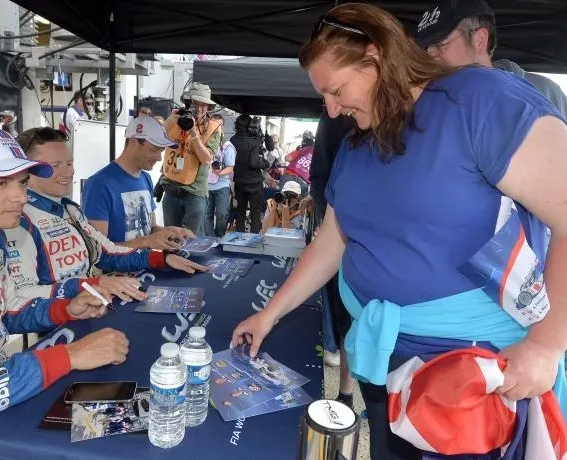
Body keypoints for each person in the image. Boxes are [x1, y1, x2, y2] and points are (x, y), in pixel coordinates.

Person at [232, 4, 567, 459]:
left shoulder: (479, 100)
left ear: (374, 58)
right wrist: (270, 314)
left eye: (336, 91)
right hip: (384, 356)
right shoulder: (358, 142)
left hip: (468, 368)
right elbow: (331, 241)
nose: (331, 109)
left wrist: (546, 346)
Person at [0, 126, 129, 434]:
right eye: (1, 182)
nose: (21, 196)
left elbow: (4, 310)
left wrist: (65, 309)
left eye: (22, 182)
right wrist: (68, 356)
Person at [6, 126, 208, 301]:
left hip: (91, 304)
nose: (68, 172)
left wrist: (161, 258)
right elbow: (21, 297)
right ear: (26, 170)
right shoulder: (18, 220)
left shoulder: (70, 209)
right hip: (61, 321)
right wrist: (91, 285)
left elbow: (106, 252)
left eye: (69, 163)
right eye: (55, 166)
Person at [414, 0, 567, 115]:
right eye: (425, 50)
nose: (430, 58)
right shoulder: (430, 107)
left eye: (439, 45)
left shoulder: (544, 92)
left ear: (479, 40)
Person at [301, 110, 357, 405]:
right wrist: (333, 219)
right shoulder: (334, 119)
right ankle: (346, 392)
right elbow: (320, 177)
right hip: (345, 238)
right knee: (346, 315)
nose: (333, 105)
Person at [83, 116, 195, 250]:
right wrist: (145, 241)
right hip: (120, 264)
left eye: (161, 150)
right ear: (133, 142)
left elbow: (150, 228)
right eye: (154, 149)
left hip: (147, 261)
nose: (159, 158)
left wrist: (173, 232)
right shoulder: (98, 184)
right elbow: (98, 249)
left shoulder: (145, 178)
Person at [161, 82, 223, 236]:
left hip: (195, 192)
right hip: (171, 188)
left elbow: (206, 160)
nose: (200, 109)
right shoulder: (175, 119)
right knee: (170, 237)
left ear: (208, 107)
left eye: (204, 105)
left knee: (194, 240)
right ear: (189, 103)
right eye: (196, 103)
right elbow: (155, 141)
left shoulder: (213, 128)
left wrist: (194, 134)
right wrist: (169, 121)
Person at [232, 114, 270, 233]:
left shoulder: (232, 140)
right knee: (255, 211)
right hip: (254, 182)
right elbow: (254, 163)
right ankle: (254, 237)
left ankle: (239, 236)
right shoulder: (254, 142)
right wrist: (266, 163)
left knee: (240, 211)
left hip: (239, 181)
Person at [206, 115, 236, 237]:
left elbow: (230, 167)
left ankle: (219, 237)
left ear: (222, 127)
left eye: (218, 125)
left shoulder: (227, 146)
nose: (215, 128)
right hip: (205, 185)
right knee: (206, 214)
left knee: (222, 214)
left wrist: (219, 172)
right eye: (212, 125)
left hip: (222, 185)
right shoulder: (203, 142)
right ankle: (209, 239)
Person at [280, 131, 313, 197]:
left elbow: (287, 158)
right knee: (302, 201)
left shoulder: (301, 150)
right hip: (303, 181)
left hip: (288, 177)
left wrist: (296, 151)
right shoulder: (318, 154)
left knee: (282, 198)